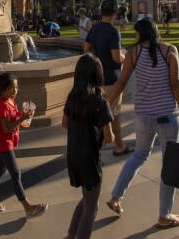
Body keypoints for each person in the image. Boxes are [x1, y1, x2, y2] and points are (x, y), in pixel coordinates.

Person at [105, 18, 179, 229]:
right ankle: (164, 216)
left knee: (139, 154)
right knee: (169, 165)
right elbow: (176, 85)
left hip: (143, 116)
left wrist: (107, 104)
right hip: (167, 117)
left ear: (141, 34)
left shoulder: (133, 53)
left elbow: (121, 82)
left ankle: (115, 196)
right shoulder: (169, 51)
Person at [0, 73, 48, 217]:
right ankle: (27, 207)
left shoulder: (11, 101)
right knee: (16, 174)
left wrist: (27, 118)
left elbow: (19, 122)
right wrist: (23, 117)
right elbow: (7, 128)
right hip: (4, 144)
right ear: (2, 90)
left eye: (16, 87)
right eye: (11, 88)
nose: (15, 90)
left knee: (0, 170)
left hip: (7, 142)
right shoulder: (3, 105)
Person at [62, 54, 114, 239]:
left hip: (73, 155)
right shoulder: (100, 100)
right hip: (90, 159)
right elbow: (109, 136)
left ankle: (70, 234)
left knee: (86, 199)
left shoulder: (72, 97)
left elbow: (64, 124)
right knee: (92, 207)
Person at [84, 0, 131, 156]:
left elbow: (86, 49)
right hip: (112, 79)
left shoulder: (95, 29)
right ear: (115, 13)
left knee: (102, 111)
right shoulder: (113, 31)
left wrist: (97, 61)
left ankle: (101, 142)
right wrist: (124, 56)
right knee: (114, 113)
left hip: (98, 79)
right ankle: (119, 146)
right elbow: (116, 57)